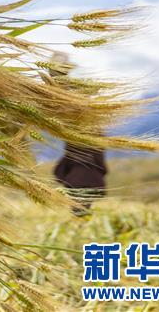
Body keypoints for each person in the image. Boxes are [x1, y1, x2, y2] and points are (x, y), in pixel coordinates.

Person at [48, 53, 108, 217]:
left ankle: (81, 219)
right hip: (82, 173)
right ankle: (81, 219)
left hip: (80, 173)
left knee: (80, 207)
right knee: (81, 207)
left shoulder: (85, 122)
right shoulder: (89, 122)